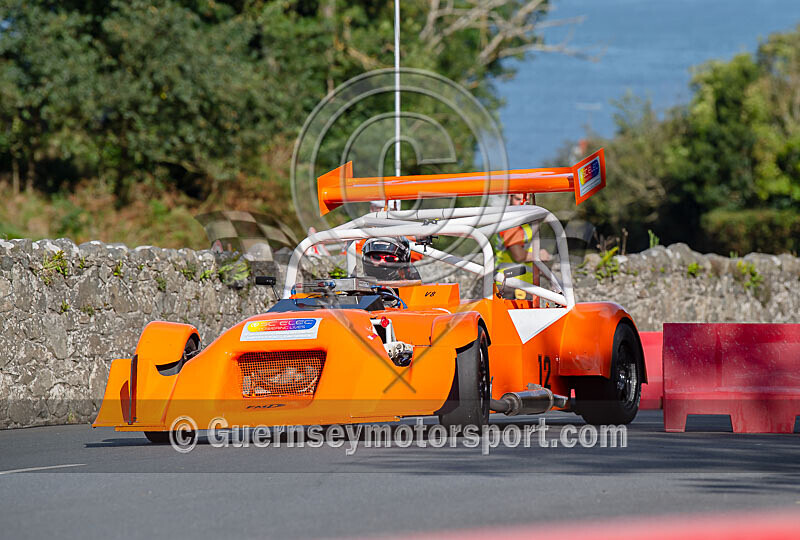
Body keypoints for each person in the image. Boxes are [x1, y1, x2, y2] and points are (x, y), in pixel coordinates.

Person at [493, 193, 546, 299]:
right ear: (510, 197)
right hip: (511, 286)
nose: (521, 204)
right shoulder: (511, 221)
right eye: (518, 199)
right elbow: (519, 256)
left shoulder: (523, 222)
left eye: (525, 200)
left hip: (520, 283)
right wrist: (540, 255)